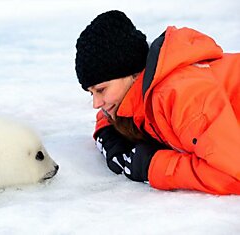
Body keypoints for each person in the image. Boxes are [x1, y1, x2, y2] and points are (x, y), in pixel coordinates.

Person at [75, 10, 240, 195]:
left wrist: (153, 166)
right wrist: (109, 136)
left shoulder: (179, 95)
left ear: (130, 72)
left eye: (101, 90)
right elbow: (113, 114)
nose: (96, 104)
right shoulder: (139, 93)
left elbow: (233, 173)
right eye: (91, 94)